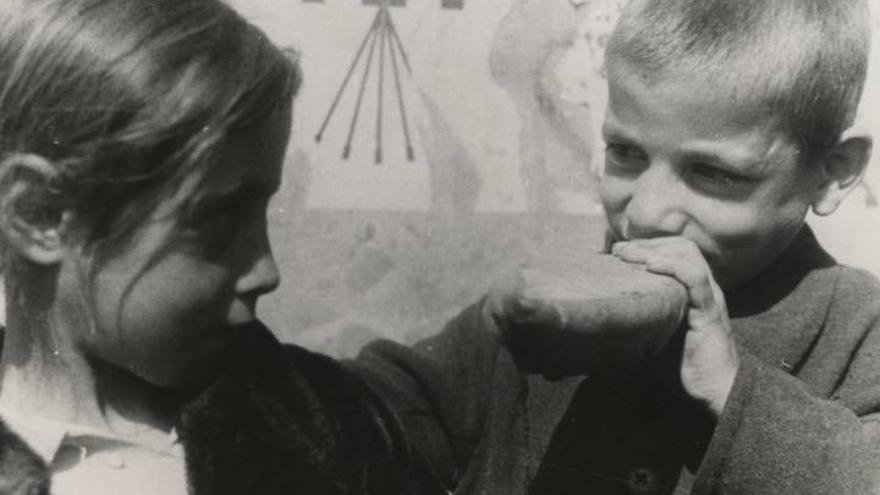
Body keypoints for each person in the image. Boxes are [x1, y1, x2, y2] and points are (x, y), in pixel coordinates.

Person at [349, 0, 880, 493]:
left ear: (833, 173)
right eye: (625, 152)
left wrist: (734, 391)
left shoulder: (861, 332)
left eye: (713, 173)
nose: (646, 214)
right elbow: (371, 416)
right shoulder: (558, 308)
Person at [0, 1, 441, 494]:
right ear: (41, 213)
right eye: (218, 219)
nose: (267, 271)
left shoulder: (319, 425)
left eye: (262, 212)